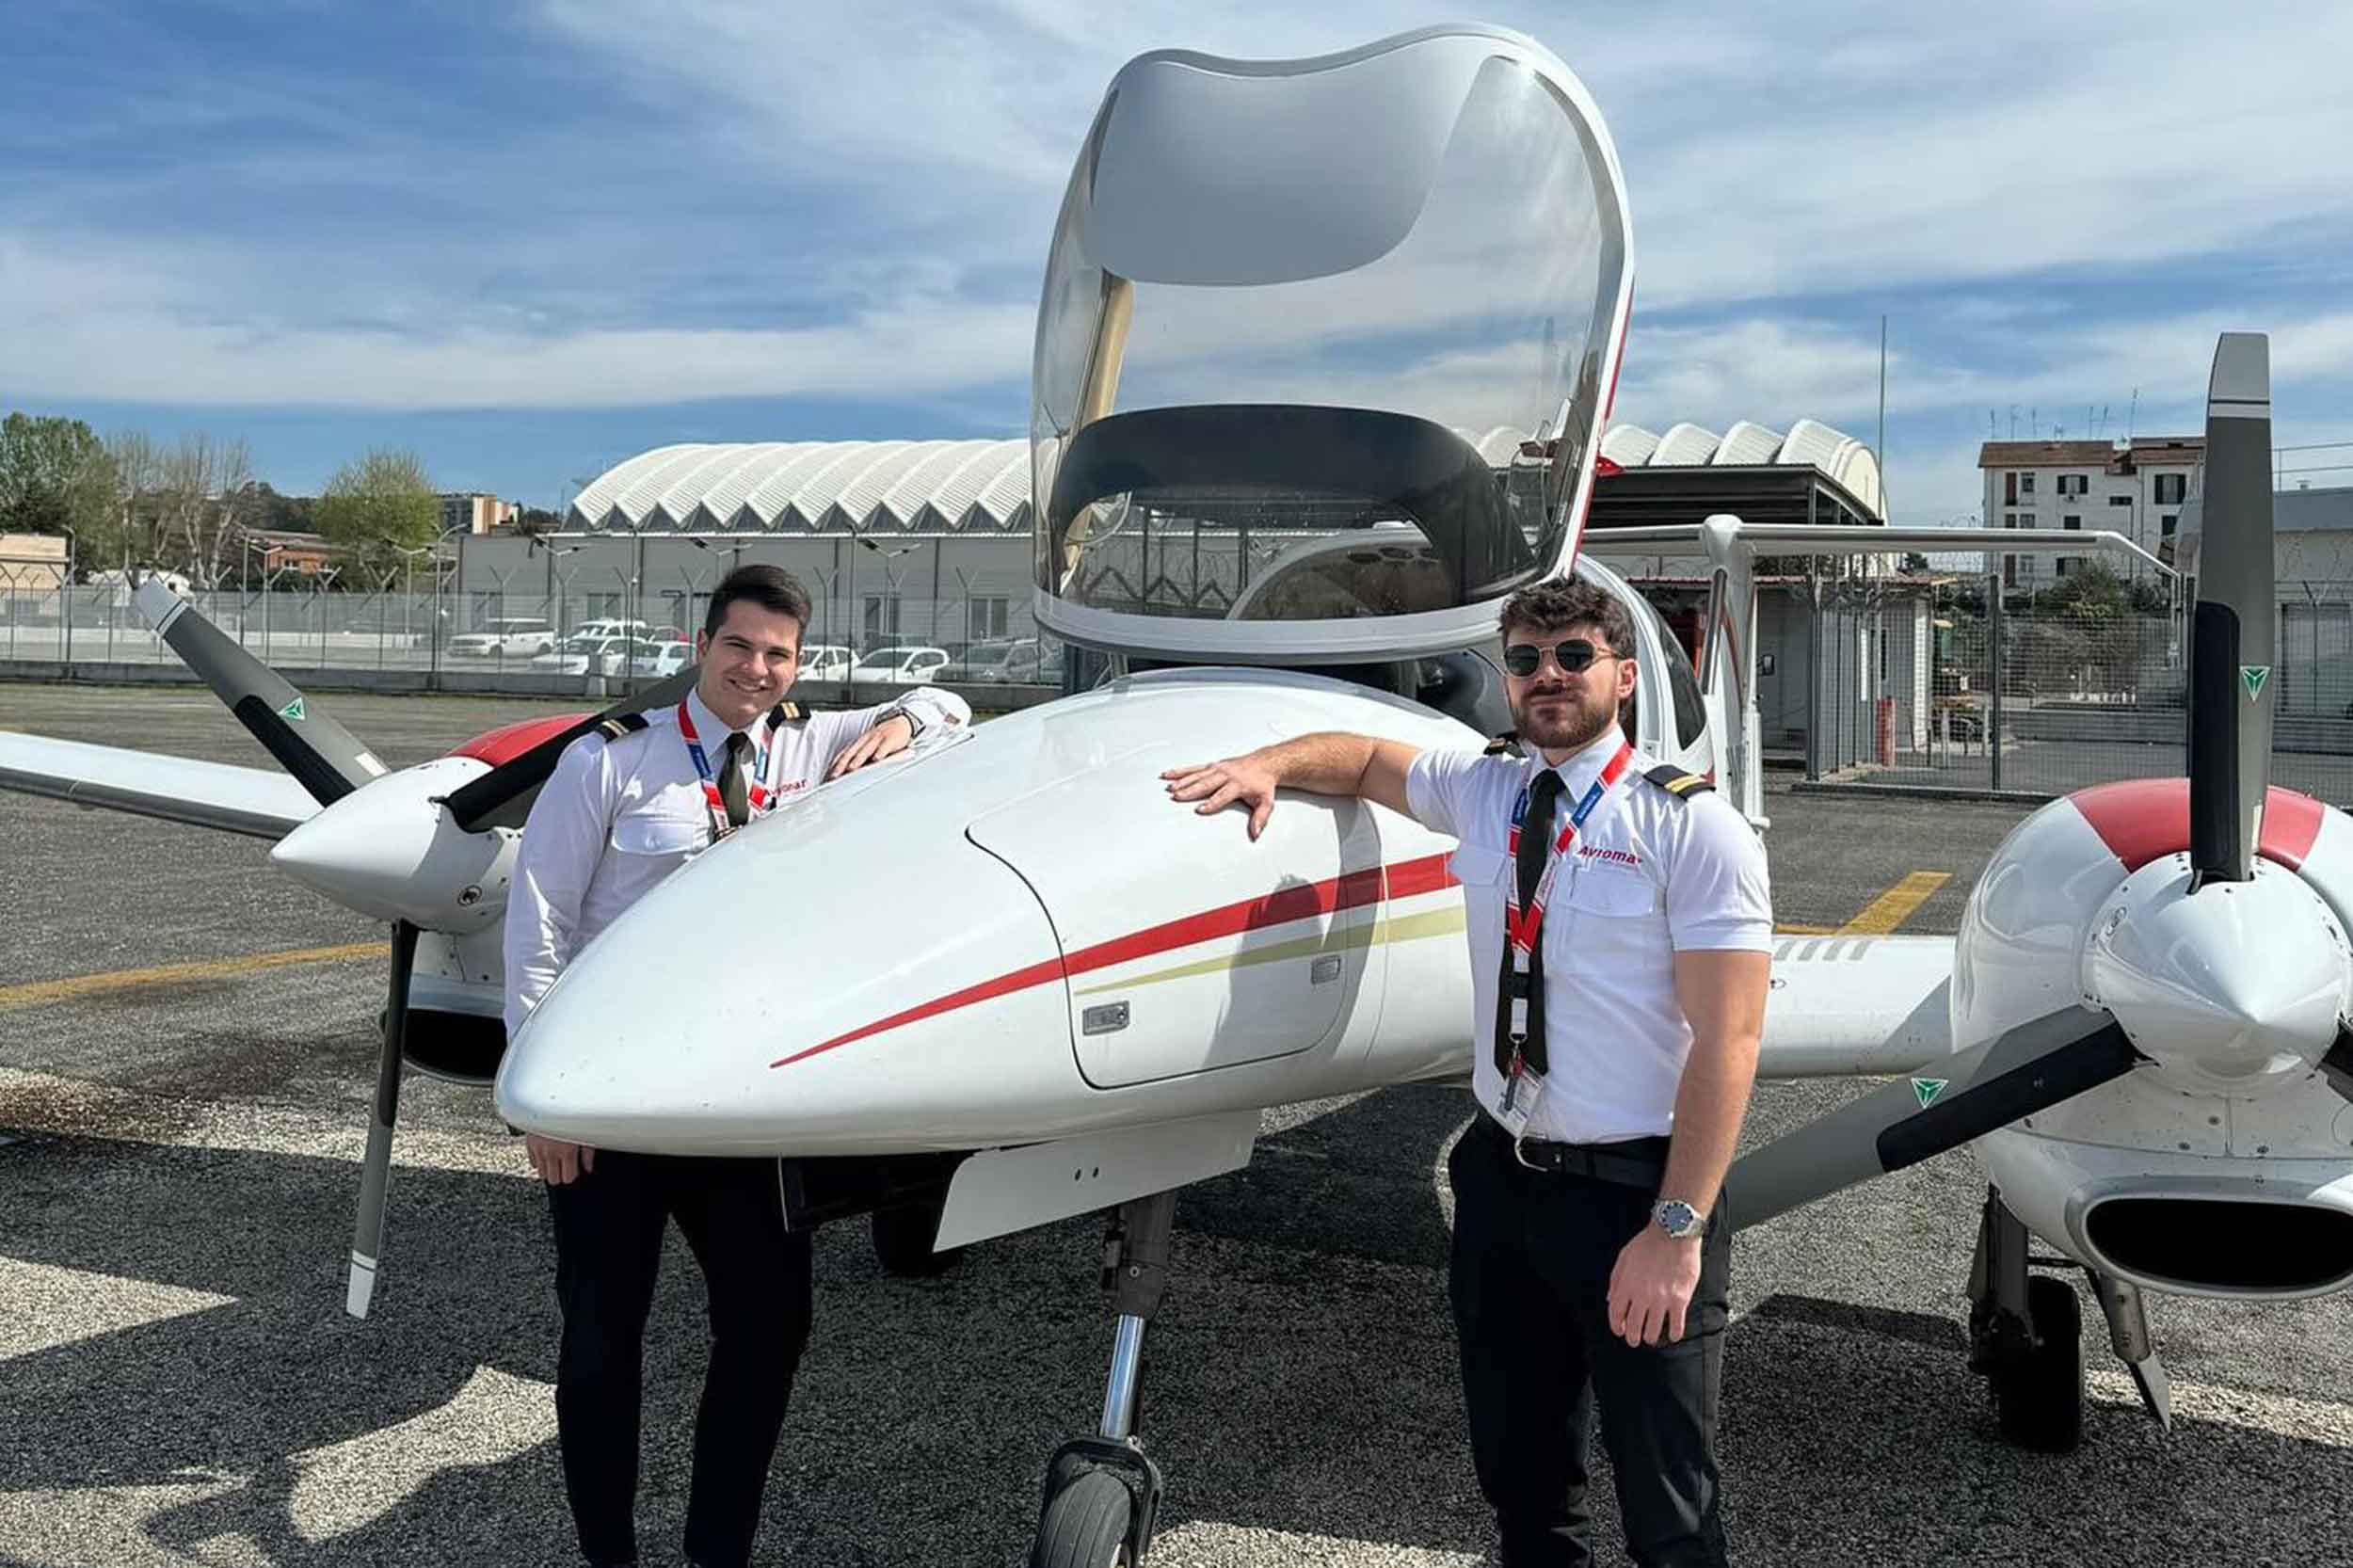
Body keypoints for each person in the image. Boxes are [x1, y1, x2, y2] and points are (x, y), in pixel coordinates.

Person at [1162, 574, 1770, 1568]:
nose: (1548, 677)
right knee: (1522, 1481)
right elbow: (1360, 759)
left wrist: (1675, 1228)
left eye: (1573, 656)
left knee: (1668, 1500)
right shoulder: (1487, 788)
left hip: (1634, 1190)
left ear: (1620, 673)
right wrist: (1263, 763)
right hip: (1501, 1180)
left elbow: (1730, 1040)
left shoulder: (1690, 825)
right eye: (1526, 660)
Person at [503, 563, 970, 1568]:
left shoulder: (810, 741)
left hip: (741, 1105)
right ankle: (609, 1555)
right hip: (610, 1099)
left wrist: (903, 723)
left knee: (769, 1327)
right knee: (599, 1342)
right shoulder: (608, 762)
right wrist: (538, 1096)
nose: (756, 669)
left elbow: (950, 703)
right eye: (738, 647)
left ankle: (718, 1551)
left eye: (778, 654)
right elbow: (536, 930)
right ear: (697, 645)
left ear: (797, 662)